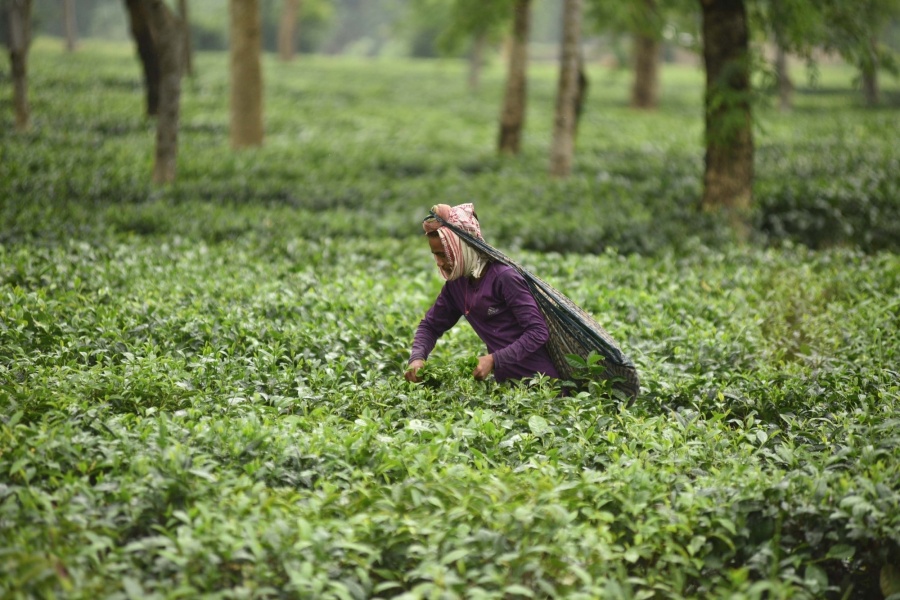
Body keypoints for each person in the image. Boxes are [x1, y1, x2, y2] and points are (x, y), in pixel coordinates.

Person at [405, 203, 561, 384]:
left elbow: (538, 332)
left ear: (460, 248)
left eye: (443, 254)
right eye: (435, 255)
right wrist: (417, 358)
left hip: (543, 386)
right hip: (506, 388)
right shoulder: (456, 284)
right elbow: (430, 326)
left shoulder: (504, 277)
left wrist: (493, 360)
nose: (439, 262)